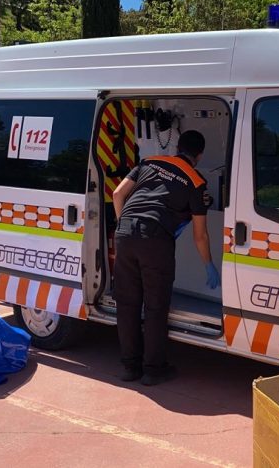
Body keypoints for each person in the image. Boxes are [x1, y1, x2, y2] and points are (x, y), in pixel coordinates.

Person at [111, 130, 220, 386]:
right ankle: (153, 370)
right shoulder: (196, 181)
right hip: (156, 240)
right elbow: (200, 235)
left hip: (125, 233)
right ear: (200, 155)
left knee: (127, 304)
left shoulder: (150, 161)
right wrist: (208, 265)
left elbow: (118, 194)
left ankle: (129, 367)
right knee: (155, 307)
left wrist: (123, 225)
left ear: (178, 147)